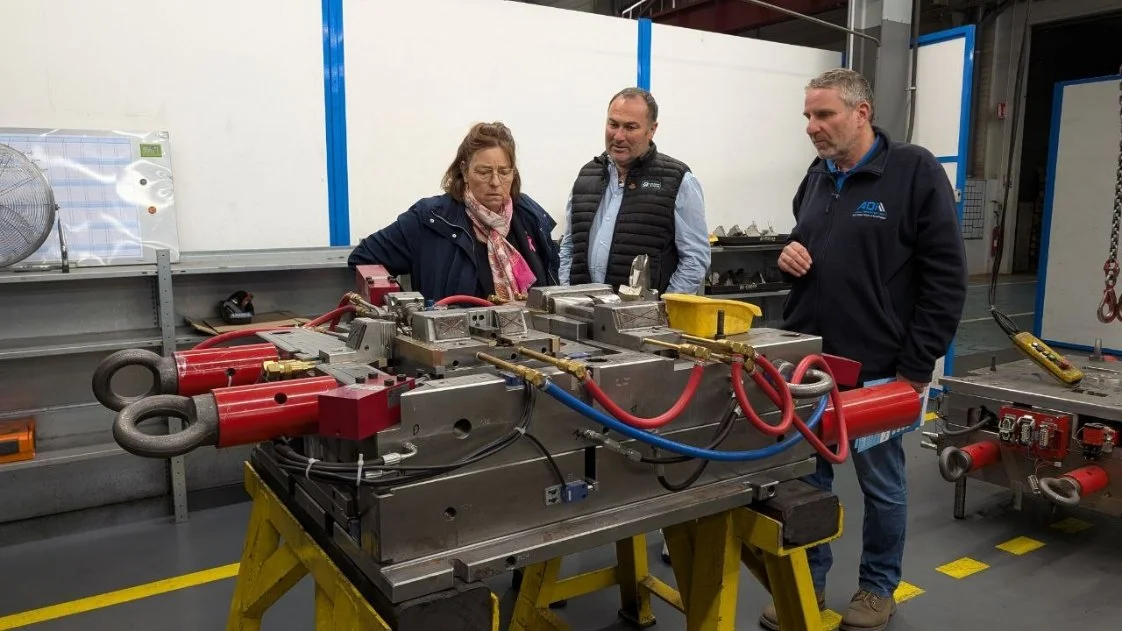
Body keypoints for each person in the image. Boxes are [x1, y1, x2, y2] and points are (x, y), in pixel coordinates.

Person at [759, 69, 967, 631]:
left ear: (861, 112)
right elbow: (808, 243)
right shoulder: (817, 176)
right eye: (807, 115)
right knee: (807, 482)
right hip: (810, 365)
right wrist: (790, 255)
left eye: (823, 115)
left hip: (877, 369)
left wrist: (916, 366)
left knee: (882, 482)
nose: (812, 127)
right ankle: (809, 586)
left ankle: (878, 588)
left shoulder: (913, 172)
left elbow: (946, 280)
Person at [348, 122, 560, 303]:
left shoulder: (530, 218)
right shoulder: (431, 219)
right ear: (465, 171)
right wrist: (407, 310)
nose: (495, 182)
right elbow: (364, 257)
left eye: (504, 172)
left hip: (529, 343)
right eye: (484, 172)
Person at [558, 87, 710, 296]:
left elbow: (695, 258)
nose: (619, 136)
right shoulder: (586, 176)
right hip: (583, 313)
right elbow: (569, 247)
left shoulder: (678, 180)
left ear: (652, 130)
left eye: (630, 127)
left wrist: (665, 308)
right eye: (613, 124)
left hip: (646, 322)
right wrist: (567, 295)